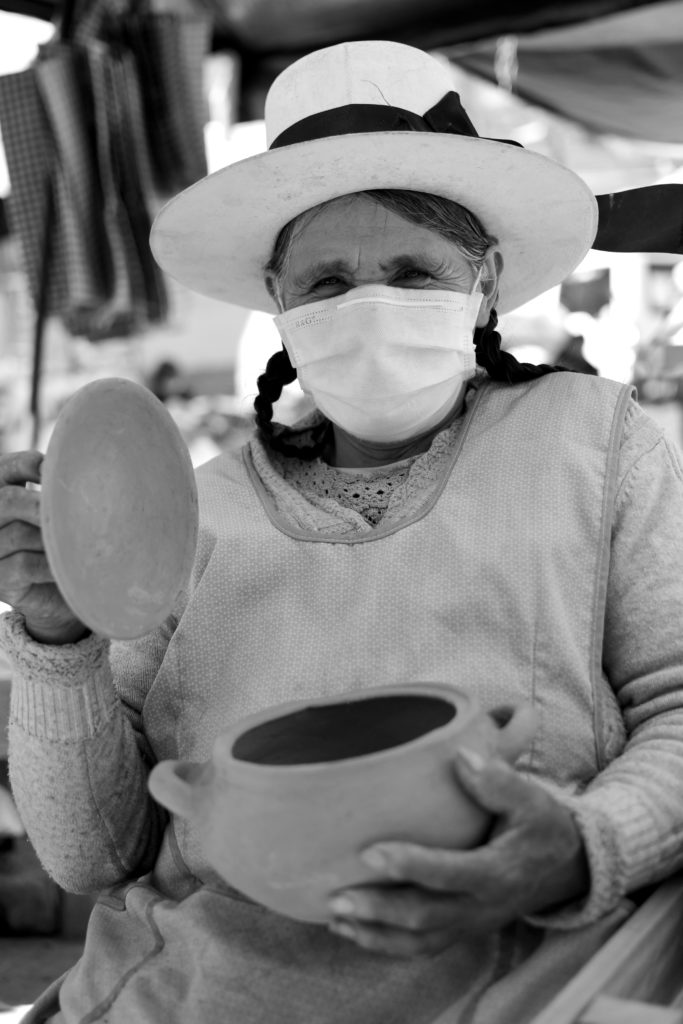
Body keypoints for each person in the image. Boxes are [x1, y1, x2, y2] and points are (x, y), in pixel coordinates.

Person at [1, 39, 683, 1024]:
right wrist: (59, 641)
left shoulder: (596, 441)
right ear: (276, 301)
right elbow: (96, 855)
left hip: (525, 987)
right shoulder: (191, 511)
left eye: (413, 271)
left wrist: (581, 842)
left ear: (483, 281)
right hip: (192, 995)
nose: (368, 305)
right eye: (324, 283)